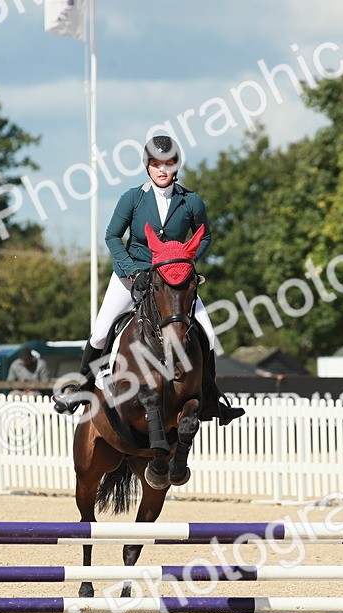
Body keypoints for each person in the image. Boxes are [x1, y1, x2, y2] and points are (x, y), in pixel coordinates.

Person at [53, 134, 245, 424]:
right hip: (132, 277)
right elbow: (112, 236)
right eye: (156, 164)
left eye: (168, 164)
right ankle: (81, 388)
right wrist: (131, 269)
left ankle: (211, 397)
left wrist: (186, 261)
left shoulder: (190, 200)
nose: (162, 170)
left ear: (176, 166)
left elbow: (204, 235)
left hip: (172, 282)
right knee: (102, 331)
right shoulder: (133, 198)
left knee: (207, 331)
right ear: (148, 167)